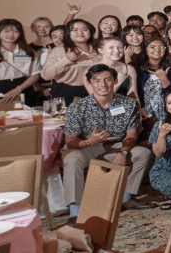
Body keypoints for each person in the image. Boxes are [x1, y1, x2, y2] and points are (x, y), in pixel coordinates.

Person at [62, 64, 153, 211]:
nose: (102, 85)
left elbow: (132, 134)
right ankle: (75, 211)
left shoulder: (129, 104)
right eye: (97, 80)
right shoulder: (77, 107)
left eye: (107, 79)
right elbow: (70, 141)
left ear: (115, 81)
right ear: (89, 83)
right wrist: (90, 141)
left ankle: (126, 198)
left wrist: (123, 152)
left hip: (116, 146)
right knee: (72, 160)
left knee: (143, 153)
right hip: (86, 148)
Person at [42, 18, 98, 104]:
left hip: (96, 91)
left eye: (84, 29)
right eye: (75, 30)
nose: (80, 32)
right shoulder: (59, 50)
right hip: (67, 92)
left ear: (90, 32)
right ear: (68, 33)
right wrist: (67, 60)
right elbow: (46, 75)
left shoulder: (98, 50)